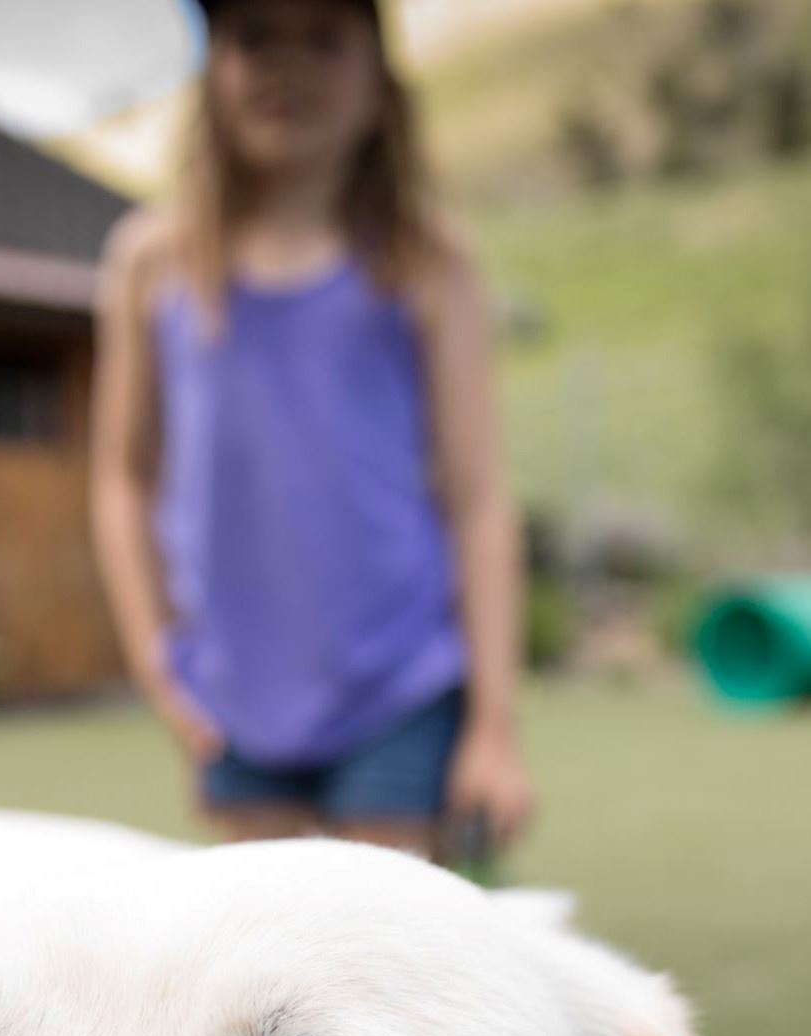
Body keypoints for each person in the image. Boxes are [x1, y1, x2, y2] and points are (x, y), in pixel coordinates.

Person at [90, 0, 533, 859]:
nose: (286, 67)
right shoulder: (151, 261)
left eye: (323, 41)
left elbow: (478, 498)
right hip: (233, 697)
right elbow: (122, 479)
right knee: (256, 970)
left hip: (398, 684)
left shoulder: (426, 260)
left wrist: (494, 727)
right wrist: (160, 672)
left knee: (381, 967)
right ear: (213, 70)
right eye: (256, 38)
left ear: (377, 85)